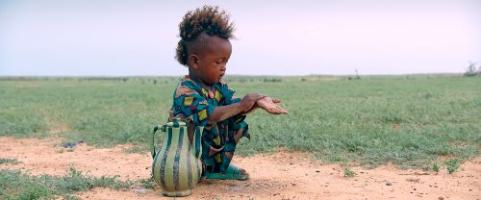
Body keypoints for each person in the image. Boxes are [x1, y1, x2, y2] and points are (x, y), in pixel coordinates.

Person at [168, 5, 287, 180]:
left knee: (236, 120)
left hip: (205, 150)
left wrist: (258, 101)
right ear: (195, 62)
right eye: (218, 62)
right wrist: (241, 105)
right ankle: (200, 168)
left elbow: (236, 106)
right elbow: (210, 115)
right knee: (215, 118)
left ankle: (217, 167)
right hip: (182, 158)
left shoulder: (218, 87)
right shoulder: (185, 90)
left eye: (226, 61)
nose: (224, 67)